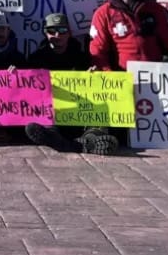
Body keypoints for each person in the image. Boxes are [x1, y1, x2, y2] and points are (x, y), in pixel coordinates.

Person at [22, 12, 109, 154]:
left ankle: (76, 140)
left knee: (99, 122)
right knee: (34, 126)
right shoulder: (35, 58)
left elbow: (91, 88)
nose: (57, 35)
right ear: (45, 33)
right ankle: (77, 142)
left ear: (69, 33)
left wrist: (92, 75)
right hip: (51, 112)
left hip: (77, 111)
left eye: (62, 31)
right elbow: (26, 90)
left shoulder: (81, 57)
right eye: (52, 31)